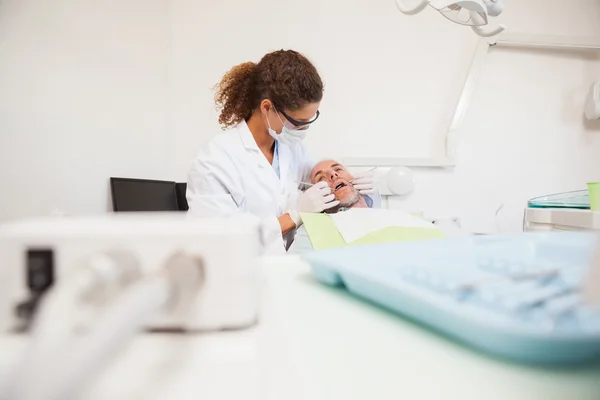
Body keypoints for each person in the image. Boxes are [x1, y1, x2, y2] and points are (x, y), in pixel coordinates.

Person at [186, 50, 375, 254]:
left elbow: (319, 181)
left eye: (310, 119)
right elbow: (217, 241)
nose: (304, 130)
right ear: (267, 108)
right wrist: (293, 216)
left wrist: (353, 185)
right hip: (242, 271)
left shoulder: (291, 147)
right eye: (298, 122)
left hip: (292, 263)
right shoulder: (215, 161)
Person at [288, 160, 377, 253]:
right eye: (321, 178)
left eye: (338, 169)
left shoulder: (387, 217)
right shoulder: (310, 234)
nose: (333, 174)